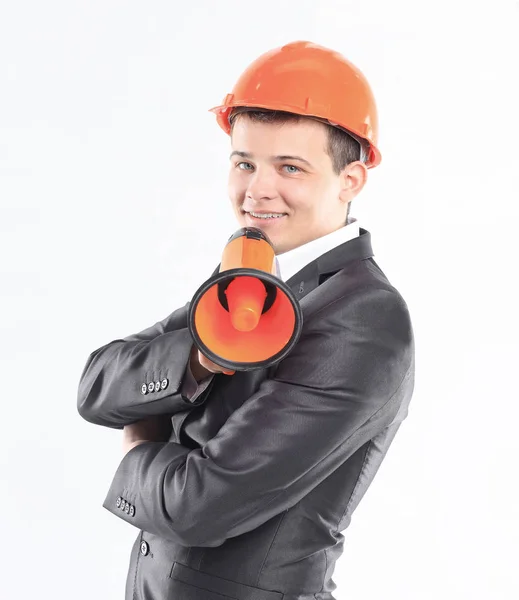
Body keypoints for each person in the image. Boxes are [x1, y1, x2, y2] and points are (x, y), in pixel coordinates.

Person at [77, 40, 415, 600]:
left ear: (350, 180)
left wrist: (138, 444)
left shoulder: (365, 320)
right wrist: (198, 358)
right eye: (244, 162)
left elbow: (199, 507)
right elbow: (96, 387)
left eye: (290, 167)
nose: (257, 189)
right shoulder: (252, 273)